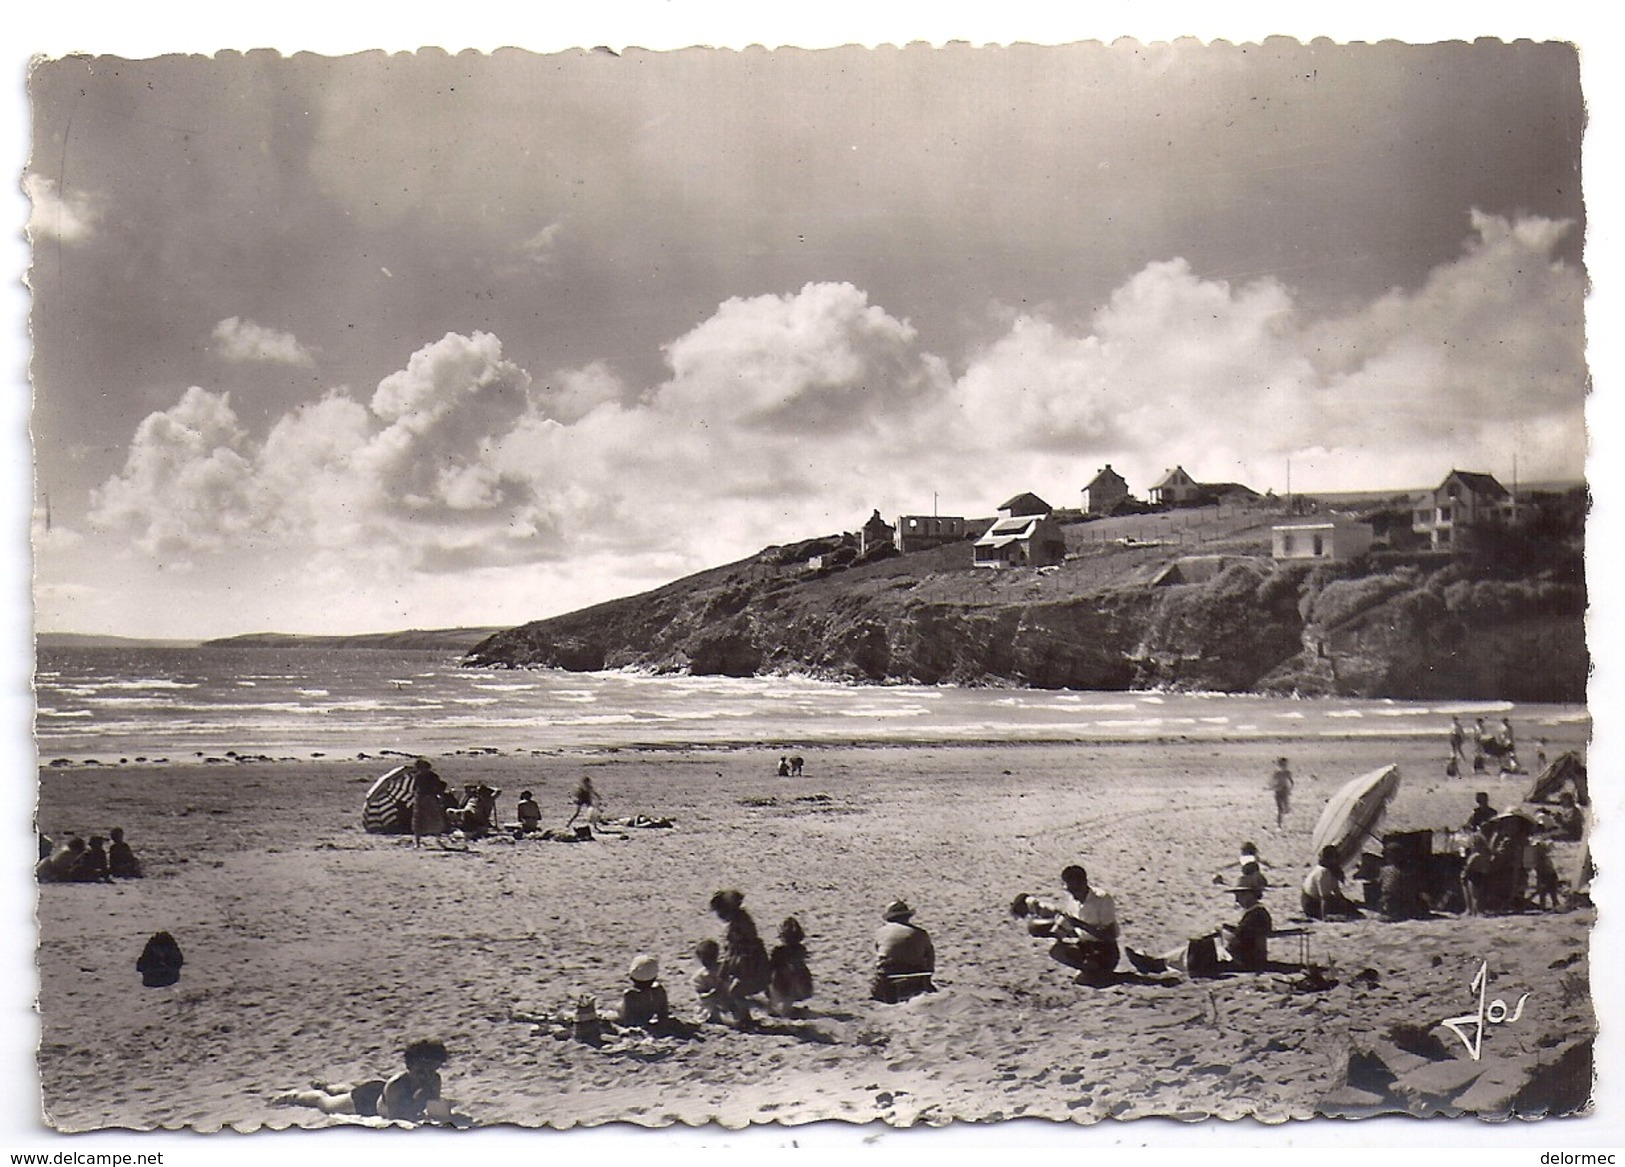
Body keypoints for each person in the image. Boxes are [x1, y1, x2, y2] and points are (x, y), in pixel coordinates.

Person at [275, 1039, 454, 1124]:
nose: (426, 1074)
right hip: (366, 1101)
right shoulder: (398, 1085)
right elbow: (397, 1119)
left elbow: (434, 1108)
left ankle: (328, 1086)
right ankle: (297, 1095)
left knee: (345, 1091)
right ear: (409, 1066)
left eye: (432, 1069)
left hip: (380, 1090)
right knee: (326, 1103)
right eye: (421, 1070)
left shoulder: (434, 1080)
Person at [1125, 885, 1277, 977]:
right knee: (1188, 950)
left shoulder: (1255, 914)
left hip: (1240, 959)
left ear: (1250, 894)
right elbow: (1245, 934)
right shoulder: (1257, 913)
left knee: (1193, 949)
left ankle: (1156, 964)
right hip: (1242, 956)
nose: (1237, 900)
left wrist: (1225, 932)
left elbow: (1241, 938)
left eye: (1239, 896)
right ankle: (1157, 962)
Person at [1012, 864, 1119, 985]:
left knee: (1091, 974)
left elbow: (1110, 935)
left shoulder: (1102, 899)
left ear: (1083, 882)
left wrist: (1081, 925)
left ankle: (1098, 972)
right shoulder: (1072, 900)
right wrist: (1061, 932)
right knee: (1057, 951)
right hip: (1085, 944)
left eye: (1072, 886)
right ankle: (1089, 970)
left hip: (1105, 950)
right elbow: (1068, 922)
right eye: (1067, 886)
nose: (1069, 890)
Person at [709, 889, 771, 1027]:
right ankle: (746, 1015)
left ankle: (754, 1011)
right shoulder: (743, 919)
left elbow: (732, 952)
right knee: (735, 988)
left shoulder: (737, 927)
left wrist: (723, 972)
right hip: (752, 960)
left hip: (748, 963)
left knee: (735, 992)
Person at [872, 899, 936, 1003]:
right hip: (914, 972)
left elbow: (879, 953)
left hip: (888, 973)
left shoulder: (880, 932)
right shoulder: (920, 933)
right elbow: (930, 957)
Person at [767, 917, 814, 1017]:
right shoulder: (800, 949)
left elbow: (772, 966)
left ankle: (780, 1008)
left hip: (782, 978)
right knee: (789, 992)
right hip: (796, 978)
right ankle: (785, 1008)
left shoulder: (779, 951)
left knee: (781, 991)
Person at [1301, 846, 1361, 919]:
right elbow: (1324, 898)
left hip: (1318, 899)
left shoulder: (1332, 870)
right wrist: (1324, 917)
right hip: (1311, 904)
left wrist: (1344, 901)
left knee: (1350, 906)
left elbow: (1336, 891)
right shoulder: (1323, 872)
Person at [616, 954, 672, 1028]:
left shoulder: (630, 994)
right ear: (655, 977)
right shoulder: (658, 991)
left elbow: (627, 1019)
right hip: (647, 1020)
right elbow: (663, 1016)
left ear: (631, 977)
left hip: (629, 1021)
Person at [410, 758, 448, 847]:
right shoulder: (431, 776)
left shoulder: (419, 776)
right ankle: (436, 840)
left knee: (420, 819)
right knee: (432, 818)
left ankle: (419, 842)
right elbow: (440, 787)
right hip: (428, 799)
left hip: (422, 799)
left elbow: (414, 789)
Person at [692, 939, 726, 1023]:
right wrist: (711, 993)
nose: (708, 961)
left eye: (711, 958)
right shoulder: (700, 976)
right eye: (705, 959)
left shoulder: (724, 968)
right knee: (714, 1013)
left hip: (727, 1002)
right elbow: (701, 995)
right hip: (710, 1005)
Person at [1461, 834, 1490, 917]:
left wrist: (1464, 873)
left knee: (1473, 895)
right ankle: (1475, 911)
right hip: (1480, 874)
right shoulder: (1486, 854)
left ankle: (1475, 911)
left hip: (1473, 874)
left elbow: (1468, 866)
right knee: (1477, 895)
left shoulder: (1475, 855)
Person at [1270, 758, 1294, 827]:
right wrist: (1274, 787)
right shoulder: (1276, 774)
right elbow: (1272, 783)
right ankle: (1279, 824)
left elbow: (1291, 782)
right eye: (1282, 765)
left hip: (1285, 792)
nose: (1283, 766)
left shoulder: (1287, 773)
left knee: (1286, 809)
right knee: (1279, 809)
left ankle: (1283, 813)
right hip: (1278, 792)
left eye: (1285, 765)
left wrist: (1290, 789)